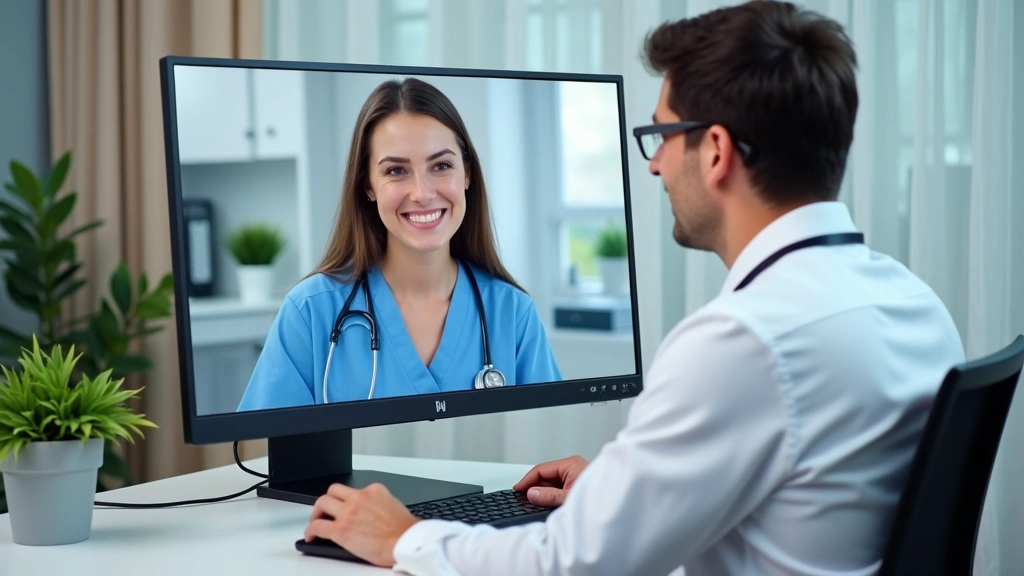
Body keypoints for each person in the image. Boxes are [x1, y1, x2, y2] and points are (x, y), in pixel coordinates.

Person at [300, 1, 966, 574]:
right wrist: (630, 493)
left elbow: (571, 564)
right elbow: (816, 492)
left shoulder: (743, 341)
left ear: (714, 152)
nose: (652, 164)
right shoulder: (913, 304)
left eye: (661, 136)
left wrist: (405, 537)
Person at [237, 78, 562, 410]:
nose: (422, 193)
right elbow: (266, 450)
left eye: (441, 165)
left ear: (467, 174)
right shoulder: (309, 312)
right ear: (368, 186)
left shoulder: (512, 314)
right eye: (396, 170)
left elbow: (551, 442)